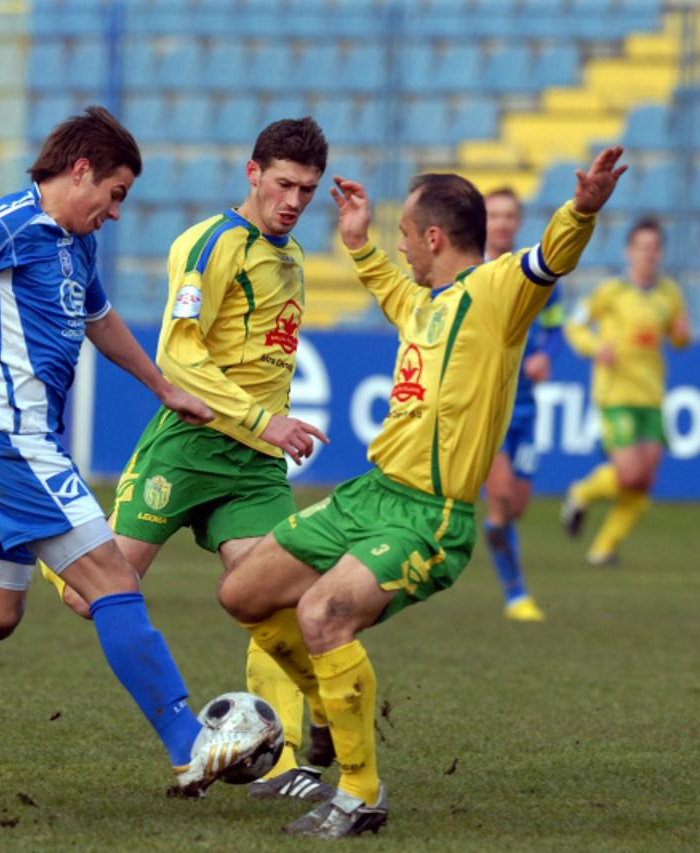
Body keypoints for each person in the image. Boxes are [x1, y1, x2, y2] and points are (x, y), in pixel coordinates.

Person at [0, 106, 278, 797]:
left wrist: (161, 385)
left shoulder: (77, 243)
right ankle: (189, 744)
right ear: (81, 170)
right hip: (9, 438)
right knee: (114, 581)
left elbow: (99, 319)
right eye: (116, 193)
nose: (116, 212)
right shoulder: (13, 224)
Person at [212, 147, 625, 838]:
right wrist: (358, 241)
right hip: (368, 495)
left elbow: (550, 258)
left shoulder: (496, 296)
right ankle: (324, 706)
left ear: (434, 237)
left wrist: (581, 209)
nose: (399, 246)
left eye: (405, 234)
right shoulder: (425, 304)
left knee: (322, 615)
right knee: (242, 594)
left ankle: (359, 793)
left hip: (428, 518)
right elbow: (388, 285)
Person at [41, 118, 336, 803]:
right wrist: (268, 418)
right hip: (189, 445)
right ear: (252, 172)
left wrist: (264, 430)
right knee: (90, 596)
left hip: (253, 465)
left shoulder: (289, 259)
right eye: (284, 183)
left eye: (308, 190)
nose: (294, 200)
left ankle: (289, 749)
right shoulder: (211, 243)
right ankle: (37, 533)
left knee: (274, 595)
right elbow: (180, 354)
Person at [561, 217, 690, 565]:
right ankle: (581, 492)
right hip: (616, 394)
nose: (647, 254)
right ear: (628, 252)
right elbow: (575, 324)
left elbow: (678, 341)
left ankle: (604, 548)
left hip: (652, 396)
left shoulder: (670, 294)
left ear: (660, 252)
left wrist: (682, 334)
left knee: (644, 483)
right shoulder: (611, 292)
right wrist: (594, 347)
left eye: (653, 248)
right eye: (641, 247)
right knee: (629, 474)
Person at [480, 187, 564, 621]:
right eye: (494, 215)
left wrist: (544, 354)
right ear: (483, 220)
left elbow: (554, 326)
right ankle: (516, 593)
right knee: (502, 499)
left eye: (510, 215)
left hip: (527, 407)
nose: (502, 222)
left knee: (516, 507)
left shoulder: (539, 274)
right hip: (488, 406)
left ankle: (493, 530)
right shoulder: (471, 273)